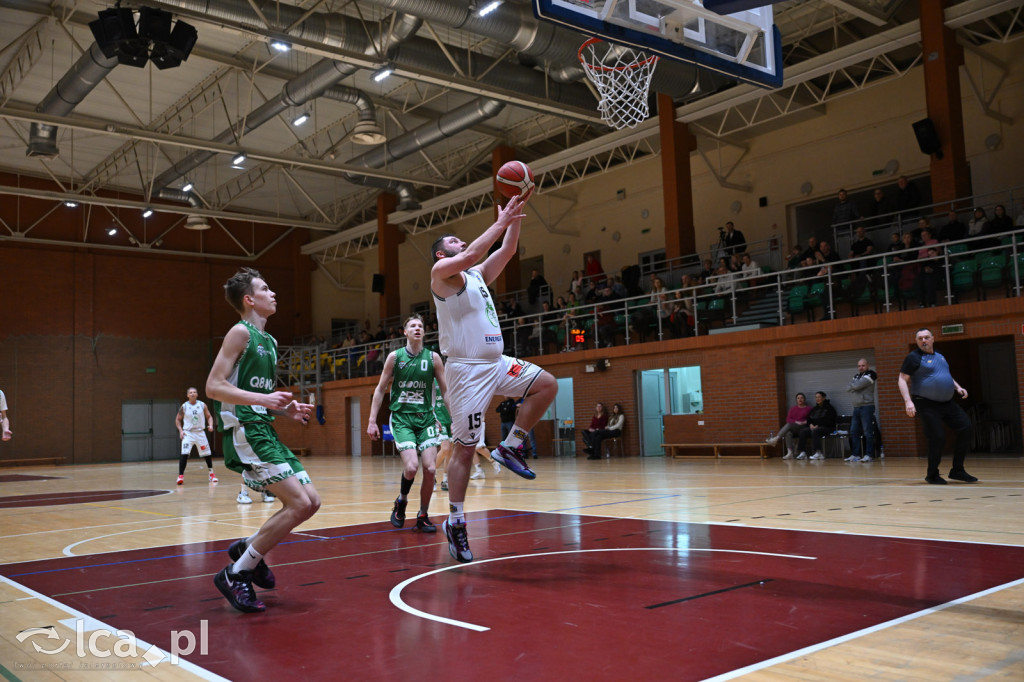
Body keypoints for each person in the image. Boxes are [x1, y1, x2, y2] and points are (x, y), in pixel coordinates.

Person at [430, 194, 558, 563]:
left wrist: (514, 217)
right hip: (466, 371)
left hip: (496, 363)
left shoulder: (477, 275)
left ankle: (511, 445)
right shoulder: (441, 276)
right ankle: (455, 520)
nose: (460, 242)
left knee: (546, 384)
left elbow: (508, 249)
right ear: (443, 255)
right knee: (466, 449)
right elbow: (470, 254)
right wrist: (499, 223)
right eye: (452, 241)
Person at [206, 268, 319, 613]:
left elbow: (259, 394)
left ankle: (247, 549)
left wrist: (287, 410)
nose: (274, 294)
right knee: (299, 503)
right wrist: (263, 401)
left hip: (264, 427)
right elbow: (214, 386)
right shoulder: (240, 333)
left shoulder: (268, 342)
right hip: (245, 429)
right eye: (266, 289)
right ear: (249, 299)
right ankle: (236, 574)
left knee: (311, 502)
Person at [367, 314, 447, 534]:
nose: (417, 328)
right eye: (413, 325)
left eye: (420, 325)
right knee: (411, 467)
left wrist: (452, 418)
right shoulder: (395, 357)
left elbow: (445, 392)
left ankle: (423, 515)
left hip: (426, 418)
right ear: (405, 332)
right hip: (402, 418)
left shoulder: (433, 358)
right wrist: (372, 420)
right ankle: (401, 501)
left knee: (430, 468)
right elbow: (379, 389)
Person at [898, 328, 977, 485]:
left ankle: (957, 470)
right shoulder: (913, 358)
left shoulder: (940, 356)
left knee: (966, 427)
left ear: (933, 339)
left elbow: (945, 375)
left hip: (946, 403)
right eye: (920, 338)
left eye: (927, 337)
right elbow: (901, 379)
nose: (924, 340)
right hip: (925, 403)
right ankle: (932, 474)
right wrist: (908, 401)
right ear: (917, 341)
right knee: (938, 437)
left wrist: (958, 387)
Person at [175, 387, 218, 485]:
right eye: (190, 392)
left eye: (194, 392)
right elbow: (178, 419)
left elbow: (209, 416)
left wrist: (210, 425)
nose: (192, 394)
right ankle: (180, 476)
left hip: (200, 433)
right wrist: (181, 431)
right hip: (188, 433)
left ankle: (211, 474)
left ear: (197, 394)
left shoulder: (202, 405)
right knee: (184, 454)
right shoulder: (184, 406)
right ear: (187, 395)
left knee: (207, 454)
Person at [846, 359, 878, 463]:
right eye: (859, 366)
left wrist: (855, 385)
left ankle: (869, 454)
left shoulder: (871, 374)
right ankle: (856, 454)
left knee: (868, 431)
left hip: (867, 406)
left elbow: (855, 386)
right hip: (856, 407)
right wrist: (855, 385)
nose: (861, 367)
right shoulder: (856, 376)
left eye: (863, 365)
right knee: (854, 431)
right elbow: (848, 387)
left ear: (867, 365)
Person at [767, 392, 813, 459]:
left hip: (804, 427)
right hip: (795, 427)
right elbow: (788, 419)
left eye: (802, 398)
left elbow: (812, 418)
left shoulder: (809, 409)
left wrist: (805, 421)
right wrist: (796, 421)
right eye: (798, 398)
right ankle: (790, 452)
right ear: (796, 400)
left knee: (789, 425)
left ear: (804, 399)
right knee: (788, 433)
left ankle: (776, 439)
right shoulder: (793, 408)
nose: (800, 399)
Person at [796, 391, 837, 460]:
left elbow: (830, 421)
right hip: (814, 427)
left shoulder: (830, 408)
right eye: (816, 397)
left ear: (823, 398)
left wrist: (818, 425)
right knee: (803, 431)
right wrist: (811, 424)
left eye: (819, 397)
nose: (817, 399)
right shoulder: (814, 409)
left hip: (827, 427)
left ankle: (818, 453)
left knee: (815, 431)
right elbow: (809, 418)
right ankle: (802, 452)